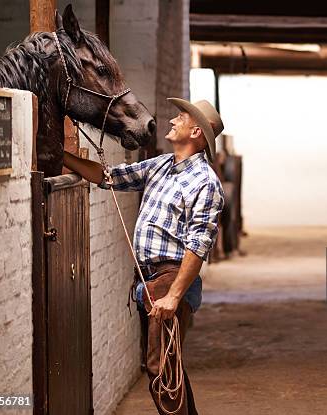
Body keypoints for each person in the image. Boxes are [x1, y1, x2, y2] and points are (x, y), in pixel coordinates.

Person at [63, 98, 225, 415]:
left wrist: (174, 296)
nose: (172, 121)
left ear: (195, 132)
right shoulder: (161, 165)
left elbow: (198, 245)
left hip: (171, 279)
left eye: (180, 118)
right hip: (152, 281)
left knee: (160, 368)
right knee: (168, 367)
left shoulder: (205, 182)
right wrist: (63, 157)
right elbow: (108, 176)